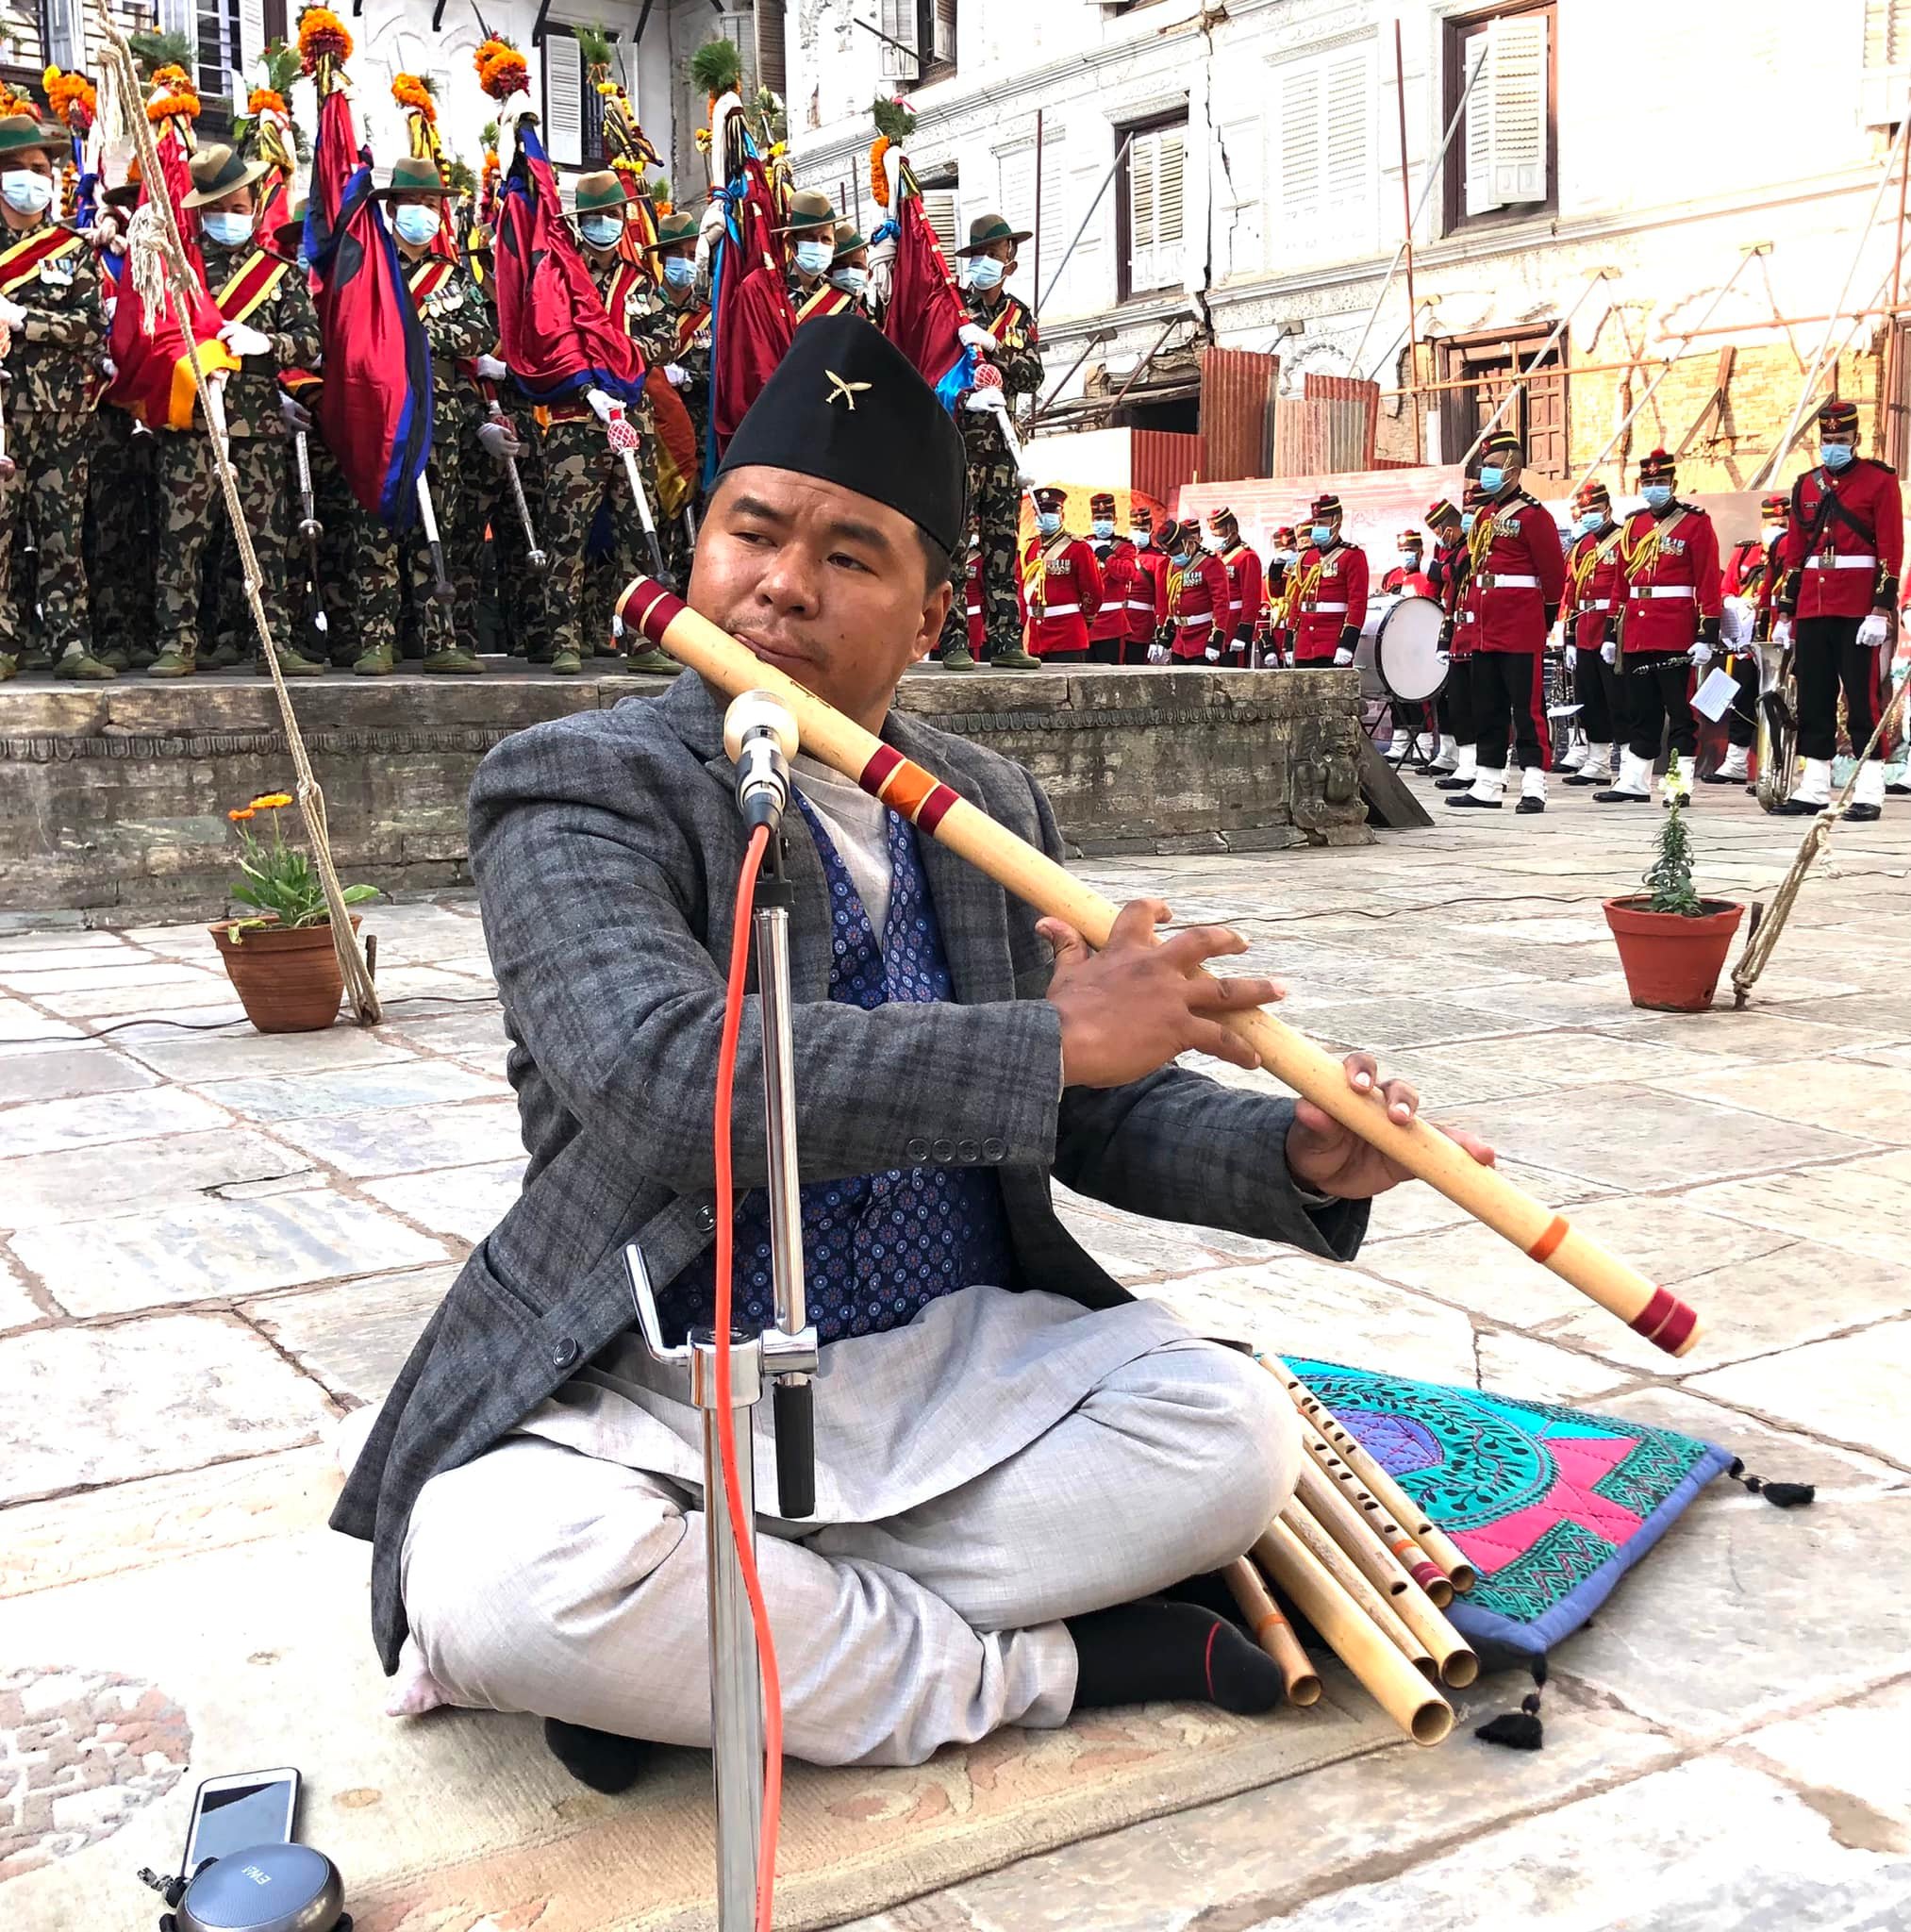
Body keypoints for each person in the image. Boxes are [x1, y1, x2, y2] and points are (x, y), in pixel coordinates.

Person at [334, 312, 1493, 1782]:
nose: (779, 587)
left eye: (848, 557)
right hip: (659, 1377)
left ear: (932, 611)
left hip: (946, 1364)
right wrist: (1050, 1039)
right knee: (503, 1582)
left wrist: (1295, 1150)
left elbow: (1084, 1117)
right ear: (698, 549)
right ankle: (1046, 1666)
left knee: (1229, 1437)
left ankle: (728, 1652)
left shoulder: (987, 800)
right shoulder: (577, 786)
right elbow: (661, 1079)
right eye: (750, 535)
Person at [142, 142, 321, 682]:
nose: (231, 218)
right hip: (193, 421)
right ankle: (177, 642)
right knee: (184, 537)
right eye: (220, 209)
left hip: (259, 425)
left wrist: (267, 342)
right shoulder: (179, 268)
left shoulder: (278, 272)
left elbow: (309, 340)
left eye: (240, 208)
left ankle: (274, 641)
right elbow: (153, 337)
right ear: (201, 211)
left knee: (268, 539)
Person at [537, 169, 667, 677]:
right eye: (595, 218)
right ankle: (565, 639)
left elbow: (664, 336)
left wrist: (623, 361)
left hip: (632, 419)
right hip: (576, 423)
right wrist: (586, 385)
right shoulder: (560, 277)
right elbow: (550, 345)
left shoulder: (641, 282)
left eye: (612, 216)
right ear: (580, 224)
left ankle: (641, 640)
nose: (605, 225)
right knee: (567, 533)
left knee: (639, 528)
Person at [0, 113, 108, 684]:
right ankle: (4, 641)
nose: (31, 180)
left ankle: (69, 641)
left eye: (40, 169)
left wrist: (24, 321)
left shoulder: (71, 248)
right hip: (1, 414)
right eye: (16, 170)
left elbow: (92, 329)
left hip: (65, 411)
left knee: (63, 531)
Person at [379, 156, 492, 675]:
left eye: (430, 206)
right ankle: (375, 637)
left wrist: (420, 337)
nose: (422, 215)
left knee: (436, 527)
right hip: (383, 416)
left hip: (440, 422)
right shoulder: (372, 270)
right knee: (378, 526)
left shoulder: (451, 275)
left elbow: (478, 333)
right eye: (413, 205)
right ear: (393, 209)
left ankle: (438, 635)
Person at [1773, 397, 1903, 820]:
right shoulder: (1806, 485)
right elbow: (1795, 554)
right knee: (1814, 696)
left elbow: (1890, 548)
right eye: (1827, 439)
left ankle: (1869, 788)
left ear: (1856, 439)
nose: (1833, 446)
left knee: (1863, 699)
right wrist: (1786, 612)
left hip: (1858, 606)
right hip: (1814, 604)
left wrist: (1881, 609)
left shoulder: (1879, 481)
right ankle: (1813, 786)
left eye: (1841, 439)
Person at [935, 212, 1042, 671]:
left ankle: (1005, 640)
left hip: (1002, 450)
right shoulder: (952, 309)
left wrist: (997, 348)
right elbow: (934, 372)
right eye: (977, 254)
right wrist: (964, 397)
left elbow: (1033, 374)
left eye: (993, 255)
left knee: (1002, 545)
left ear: (1010, 262)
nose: (984, 262)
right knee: (955, 548)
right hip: (959, 444)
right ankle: (953, 639)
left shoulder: (1019, 315)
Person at [1446, 431, 1565, 816]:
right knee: (1487, 706)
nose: (1487, 474)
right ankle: (1488, 781)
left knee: (1527, 708)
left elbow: (1553, 576)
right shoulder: (1483, 515)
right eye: (1485, 467)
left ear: (1514, 469)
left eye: (1494, 467)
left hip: (1519, 625)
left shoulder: (1534, 515)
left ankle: (1534, 782)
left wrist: (1543, 622)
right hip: (1484, 627)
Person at [1595, 448, 1721, 808]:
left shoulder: (1695, 523)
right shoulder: (1633, 525)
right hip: (1636, 629)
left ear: (1673, 484)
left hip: (1676, 629)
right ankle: (1635, 780)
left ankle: (1679, 783)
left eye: (1660, 482)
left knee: (1679, 710)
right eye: (1648, 483)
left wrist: (1706, 634)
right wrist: (1609, 633)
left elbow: (1708, 580)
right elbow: (1621, 583)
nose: (1654, 488)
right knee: (1641, 708)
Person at [1709, 493, 1787, 789]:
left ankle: (1776, 765)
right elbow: (1725, 590)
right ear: (1762, 523)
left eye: (1783, 522)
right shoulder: (1746, 554)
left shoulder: (1796, 554)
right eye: (1772, 522)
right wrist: (1738, 605)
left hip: (1780, 641)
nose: (1777, 527)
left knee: (1779, 704)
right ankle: (1736, 761)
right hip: (1746, 642)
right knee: (1741, 701)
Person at [1560, 478, 1627, 789]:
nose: (1590, 515)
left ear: (1608, 509)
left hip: (1611, 627)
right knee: (1590, 699)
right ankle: (1597, 762)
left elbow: (1622, 588)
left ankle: (1627, 764)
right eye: (1585, 510)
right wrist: (1571, 638)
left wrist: (1613, 634)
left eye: (1595, 510)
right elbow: (1573, 593)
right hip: (1585, 627)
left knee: (1619, 698)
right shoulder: (1582, 546)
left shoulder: (1623, 540)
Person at [1021, 485, 1101, 663]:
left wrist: (1085, 619)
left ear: (1061, 516)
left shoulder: (1078, 548)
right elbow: (1022, 588)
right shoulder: (1030, 547)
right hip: (1035, 634)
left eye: (1050, 513)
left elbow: (1093, 590)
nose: (1044, 518)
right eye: (1040, 513)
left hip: (1067, 634)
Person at [1288, 494, 1368, 669]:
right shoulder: (1306, 557)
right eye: (1315, 524)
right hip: (1305, 644)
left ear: (1337, 524)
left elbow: (1357, 602)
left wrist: (1348, 642)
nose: (1317, 528)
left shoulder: (1352, 556)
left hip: (1333, 643)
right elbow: (1297, 600)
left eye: (1322, 523)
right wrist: (1289, 638)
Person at [1153, 516, 1232, 663]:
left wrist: (1216, 638)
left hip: (1202, 637)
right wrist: (1164, 637)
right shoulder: (1170, 566)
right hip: (1179, 639)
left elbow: (1221, 602)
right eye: (1171, 554)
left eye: (1176, 552)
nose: (1174, 557)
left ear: (1188, 543)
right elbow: (1170, 603)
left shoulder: (1210, 563)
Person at [781, 190, 851, 324]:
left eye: (825, 239)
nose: (818, 245)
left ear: (834, 247)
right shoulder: (772, 291)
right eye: (810, 237)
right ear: (791, 242)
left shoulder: (842, 298)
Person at [1085, 491, 1135, 665]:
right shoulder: (1083, 545)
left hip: (1111, 623)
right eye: (1098, 519)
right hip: (1087, 623)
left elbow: (1127, 574)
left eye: (1106, 518)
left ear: (1115, 520)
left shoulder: (1124, 547)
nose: (1102, 523)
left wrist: (1107, 556)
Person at [1208, 508, 1263, 667]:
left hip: (1234, 630)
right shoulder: (1216, 556)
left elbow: (1251, 599)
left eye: (1218, 536)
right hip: (1216, 629)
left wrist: (1243, 632)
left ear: (1231, 532)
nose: (1216, 540)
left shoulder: (1247, 557)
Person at [1127, 506, 1170, 665]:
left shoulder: (1159, 559)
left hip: (1142, 625)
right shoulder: (1122, 552)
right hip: (1119, 623)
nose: (1139, 533)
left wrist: (1158, 634)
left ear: (1151, 529)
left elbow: (1162, 601)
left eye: (1143, 529)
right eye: (1135, 529)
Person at [1261, 525, 1298, 667]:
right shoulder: (1267, 580)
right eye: (1283, 551)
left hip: (1297, 636)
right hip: (1275, 636)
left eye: (1291, 550)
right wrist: (1267, 648)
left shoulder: (1302, 575)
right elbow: (1263, 614)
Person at [1380, 528, 1424, 594]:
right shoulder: (1391, 576)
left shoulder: (1427, 578)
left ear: (1420, 553)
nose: (1405, 554)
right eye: (1402, 551)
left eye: (1410, 550)